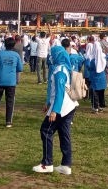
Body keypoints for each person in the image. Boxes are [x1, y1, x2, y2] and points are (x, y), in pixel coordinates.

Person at [33, 41, 78, 175]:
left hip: (62, 107)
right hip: (69, 106)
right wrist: (48, 103)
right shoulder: (63, 67)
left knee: (46, 131)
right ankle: (66, 165)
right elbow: (54, 90)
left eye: (52, 54)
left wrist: (55, 110)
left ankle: (47, 163)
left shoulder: (59, 71)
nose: (50, 57)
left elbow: (60, 92)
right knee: (65, 135)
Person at [0, 37, 23, 128]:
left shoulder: (0, 54)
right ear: (14, 45)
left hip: (0, 80)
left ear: (4, 45)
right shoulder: (16, 55)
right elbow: (20, 68)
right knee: (10, 101)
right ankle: (8, 122)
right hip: (11, 81)